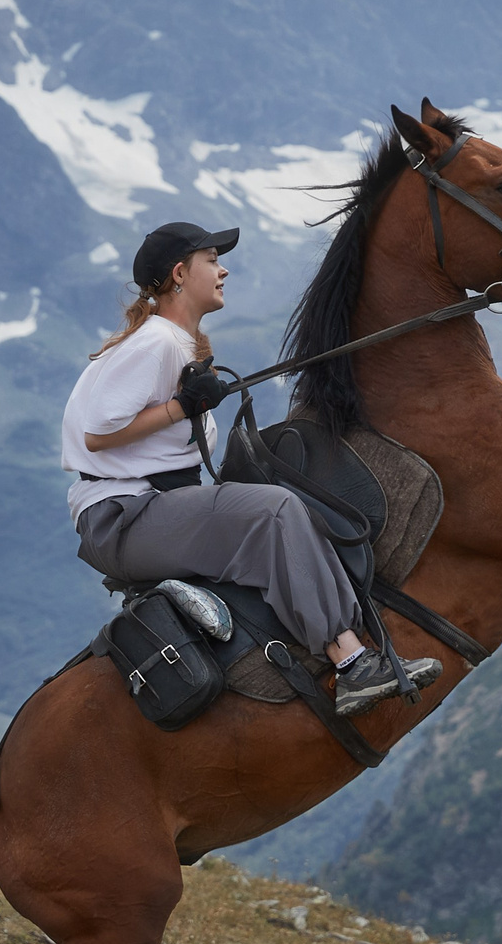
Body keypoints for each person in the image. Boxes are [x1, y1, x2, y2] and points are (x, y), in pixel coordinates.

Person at [63, 221, 435, 717]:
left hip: (146, 510)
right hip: (124, 517)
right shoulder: (157, 342)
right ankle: (352, 666)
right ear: (180, 273)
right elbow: (97, 433)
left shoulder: (180, 345)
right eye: (212, 260)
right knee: (276, 511)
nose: (224, 270)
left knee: (281, 499)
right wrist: (182, 407)